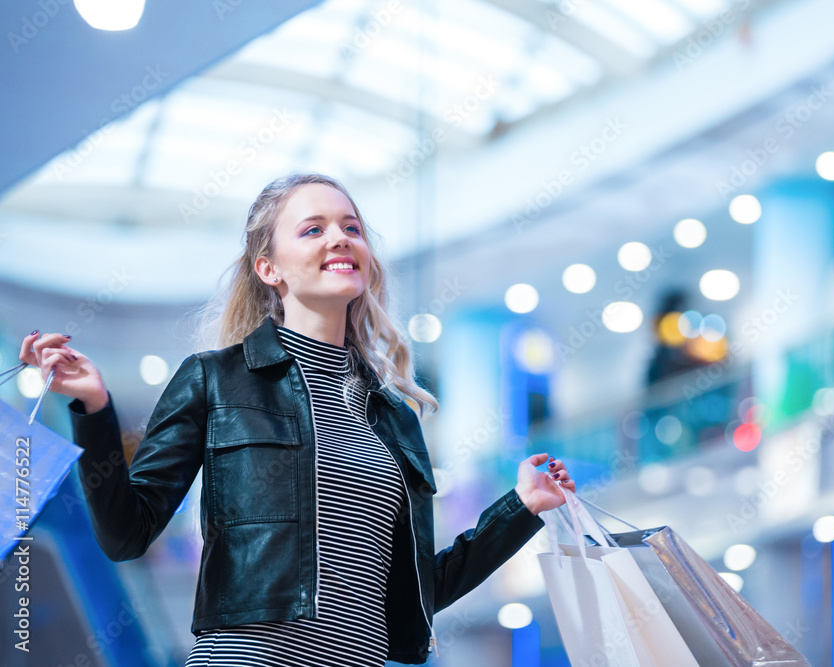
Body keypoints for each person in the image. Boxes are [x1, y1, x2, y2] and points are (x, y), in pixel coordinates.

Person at [19, 172, 576, 666]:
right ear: (269, 268)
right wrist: (92, 408)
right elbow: (126, 534)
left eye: (351, 227)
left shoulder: (393, 417)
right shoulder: (216, 379)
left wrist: (521, 507)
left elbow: (418, 587)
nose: (339, 238)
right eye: (313, 229)